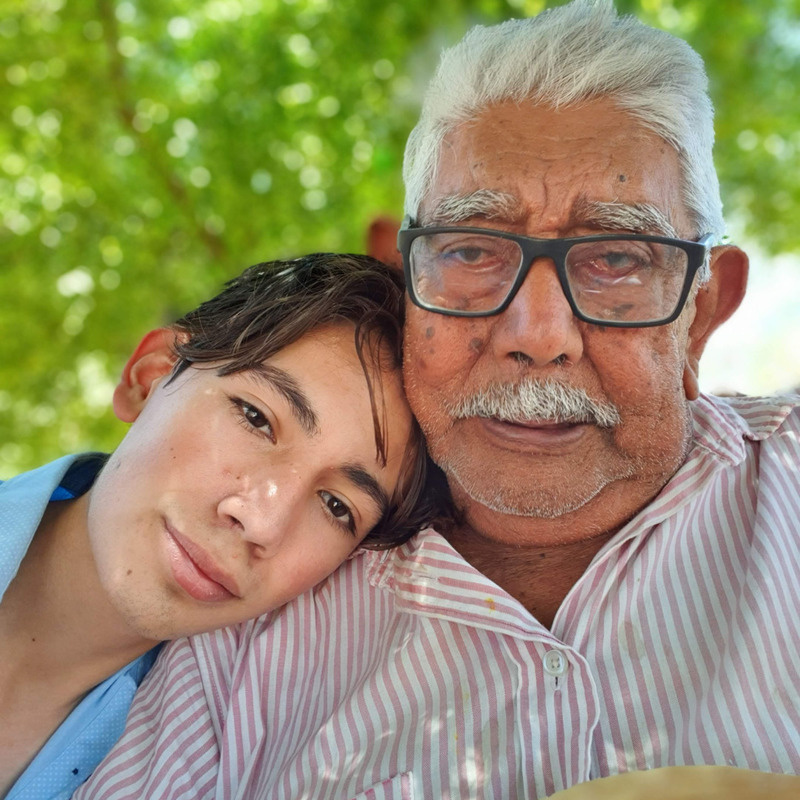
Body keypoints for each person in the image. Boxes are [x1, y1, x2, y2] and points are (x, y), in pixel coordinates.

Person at [75, 2, 800, 798]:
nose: (537, 334)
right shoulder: (246, 614)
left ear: (702, 313)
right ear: (405, 283)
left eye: (618, 259)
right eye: (471, 250)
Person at [0, 252, 433, 800]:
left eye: (335, 506)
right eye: (256, 418)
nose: (261, 521)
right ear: (150, 377)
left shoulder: (210, 765)